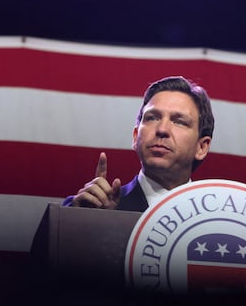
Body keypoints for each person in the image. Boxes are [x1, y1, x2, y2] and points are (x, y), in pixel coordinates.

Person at [62, 75, 214, 212]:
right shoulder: (83, 209)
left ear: (202, 147)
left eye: (179, 122)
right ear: (135, 137)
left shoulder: (219, 222)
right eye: (152, 118)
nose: (161, 129)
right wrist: (82, 219)